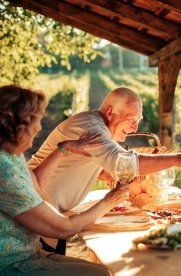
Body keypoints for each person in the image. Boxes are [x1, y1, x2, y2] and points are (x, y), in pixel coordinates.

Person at [0, 84, 130, 275]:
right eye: (37, 120)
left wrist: (64, 147)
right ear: (20, 125)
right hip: (12, 263)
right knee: (99, 274)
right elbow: (63, 228)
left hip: (28, 251)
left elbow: (35, 181)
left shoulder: (9, 154)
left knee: (102, 270)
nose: (39, 127)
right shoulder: (5, 171)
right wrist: (110, 200)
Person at [28, 87, 181, 212]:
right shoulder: (92, 128)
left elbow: (75, 160)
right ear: (109, 113)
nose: (135, 128)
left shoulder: (96, 125)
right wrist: (178, 159)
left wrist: (99, 172)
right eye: (130, 119)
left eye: (138, 120)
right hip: (33, 207)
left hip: (44, 208)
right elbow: (125, 163)